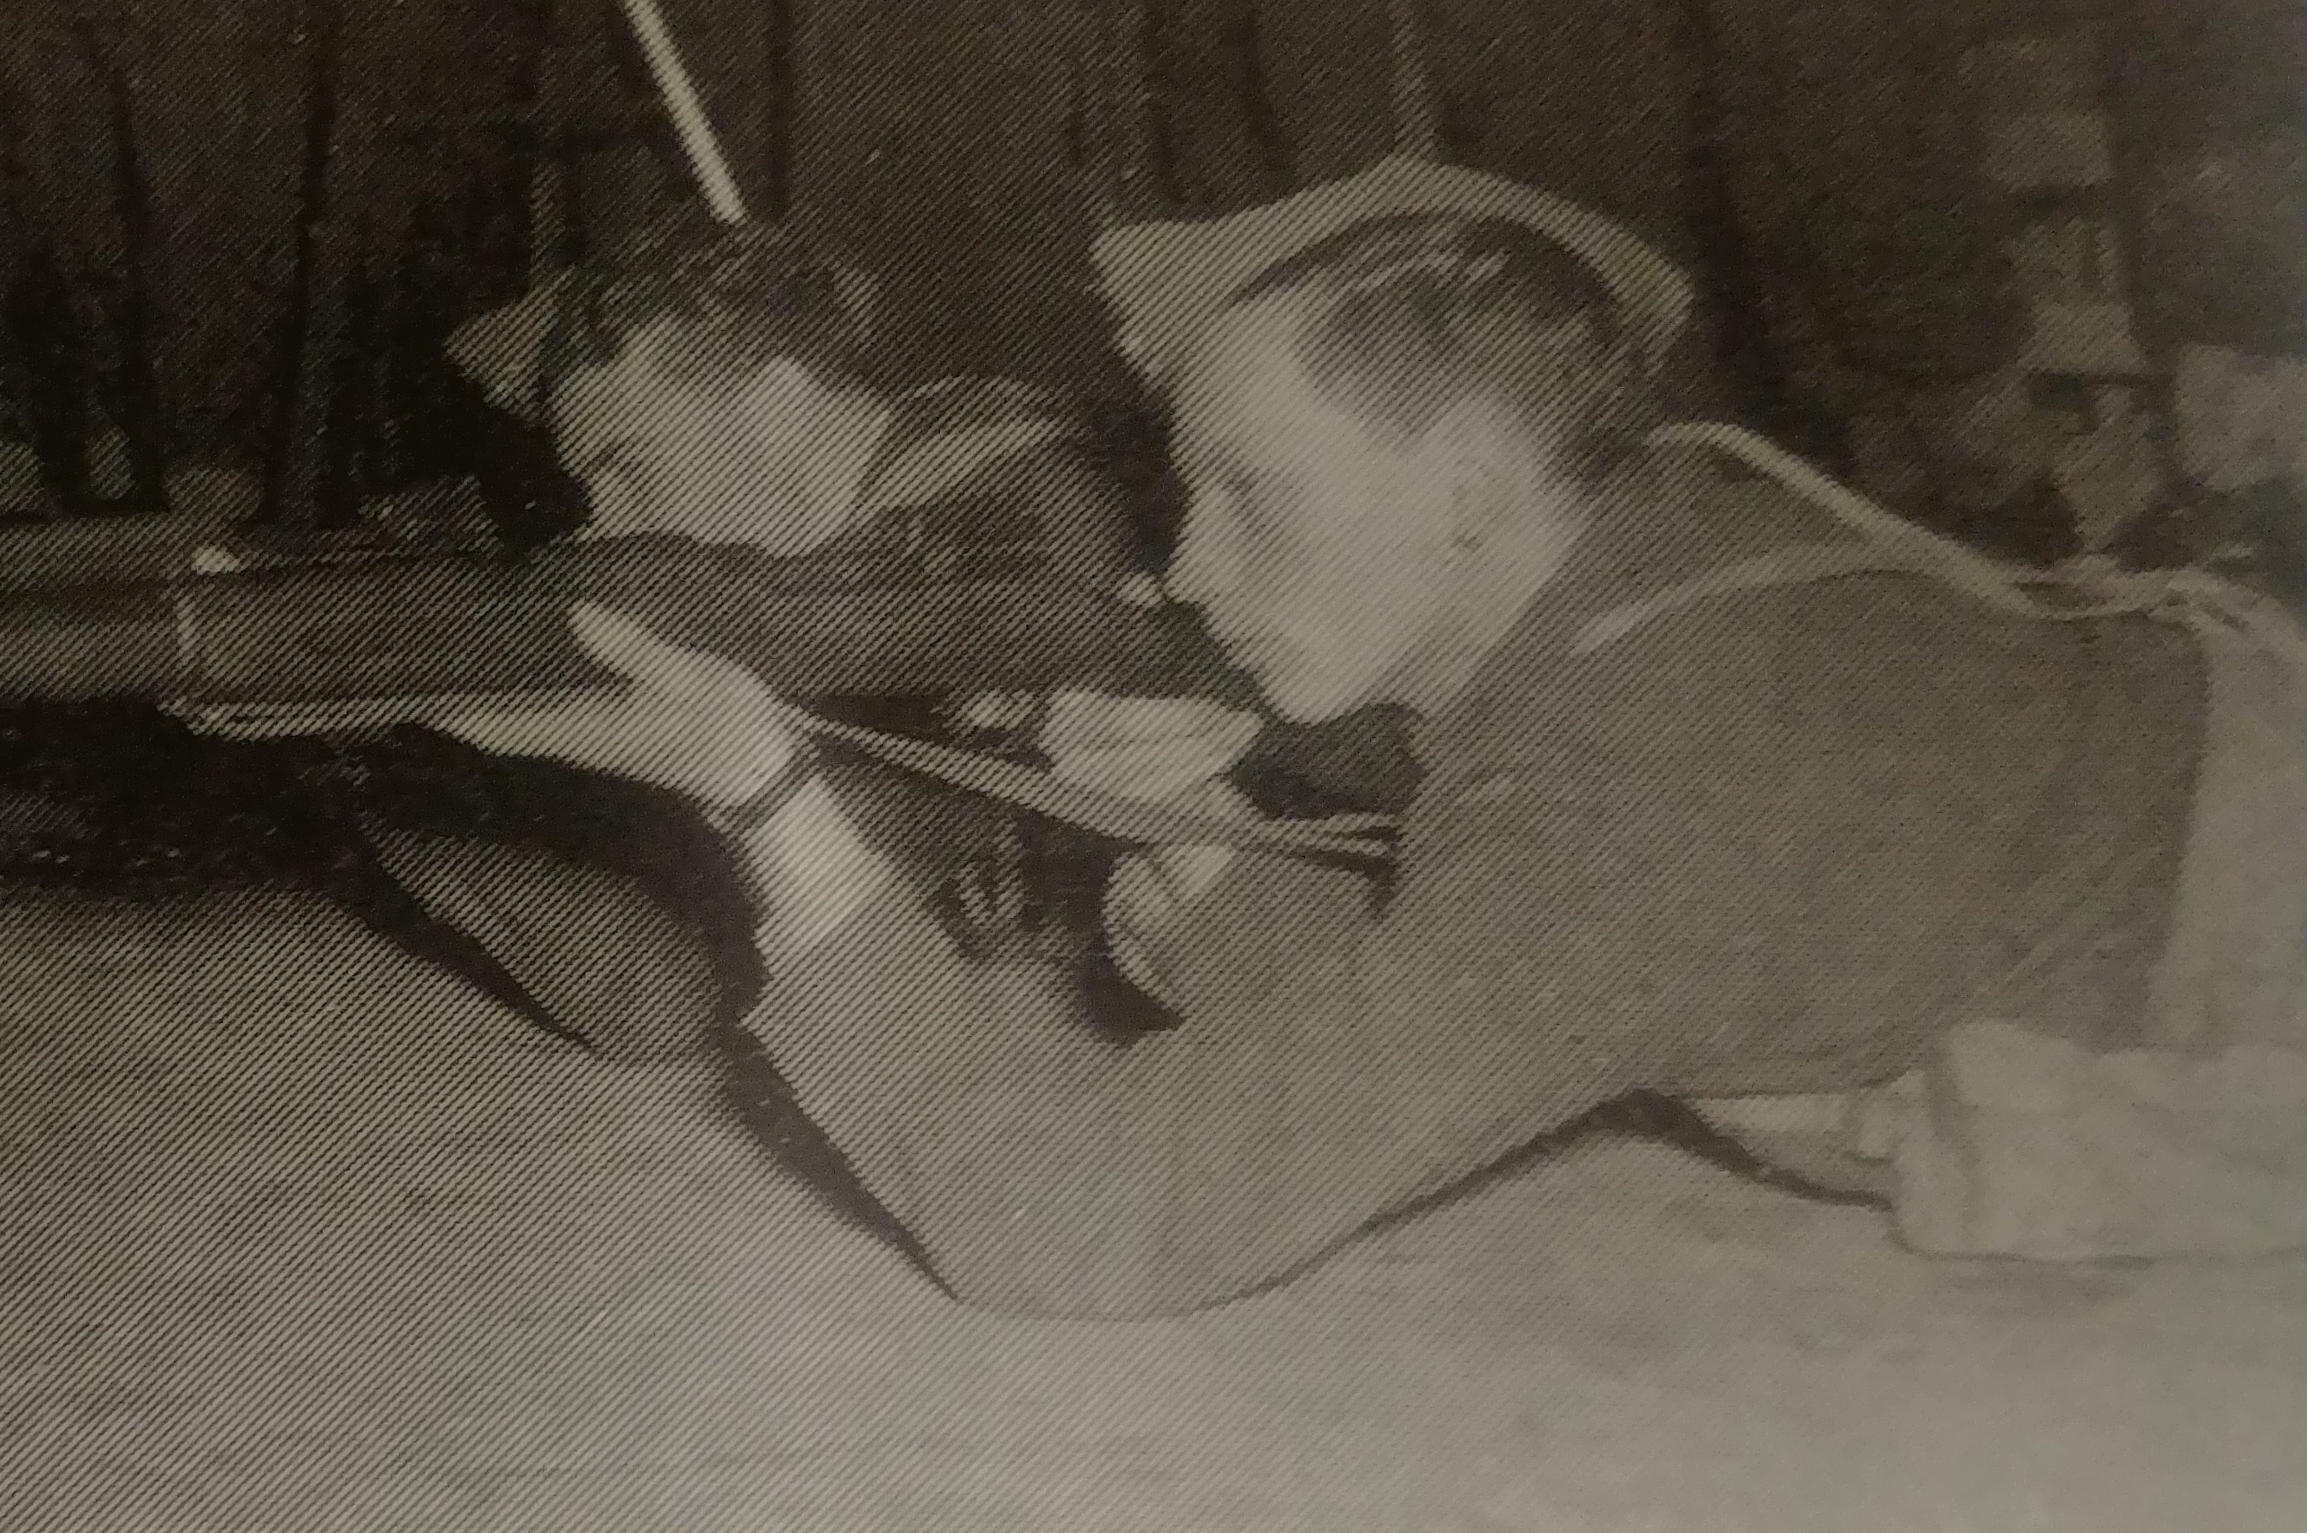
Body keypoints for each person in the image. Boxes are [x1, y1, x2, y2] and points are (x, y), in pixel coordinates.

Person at [440, 154, 2307, 1317]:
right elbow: (1425, 981)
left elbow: (1083, 1219)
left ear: (1472, 479)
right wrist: (1186, 829)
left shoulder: (1627, 789)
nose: (1186, 564)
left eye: (1250, 492)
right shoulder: (1654, 536)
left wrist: (763, 792)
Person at [218, 211, 1415, 1060]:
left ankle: (359, 763)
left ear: (781, 405)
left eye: (630, 467)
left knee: (652, 988)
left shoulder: (1017, 500)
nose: (607, 523)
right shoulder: (886, 498)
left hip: (1290, 892)